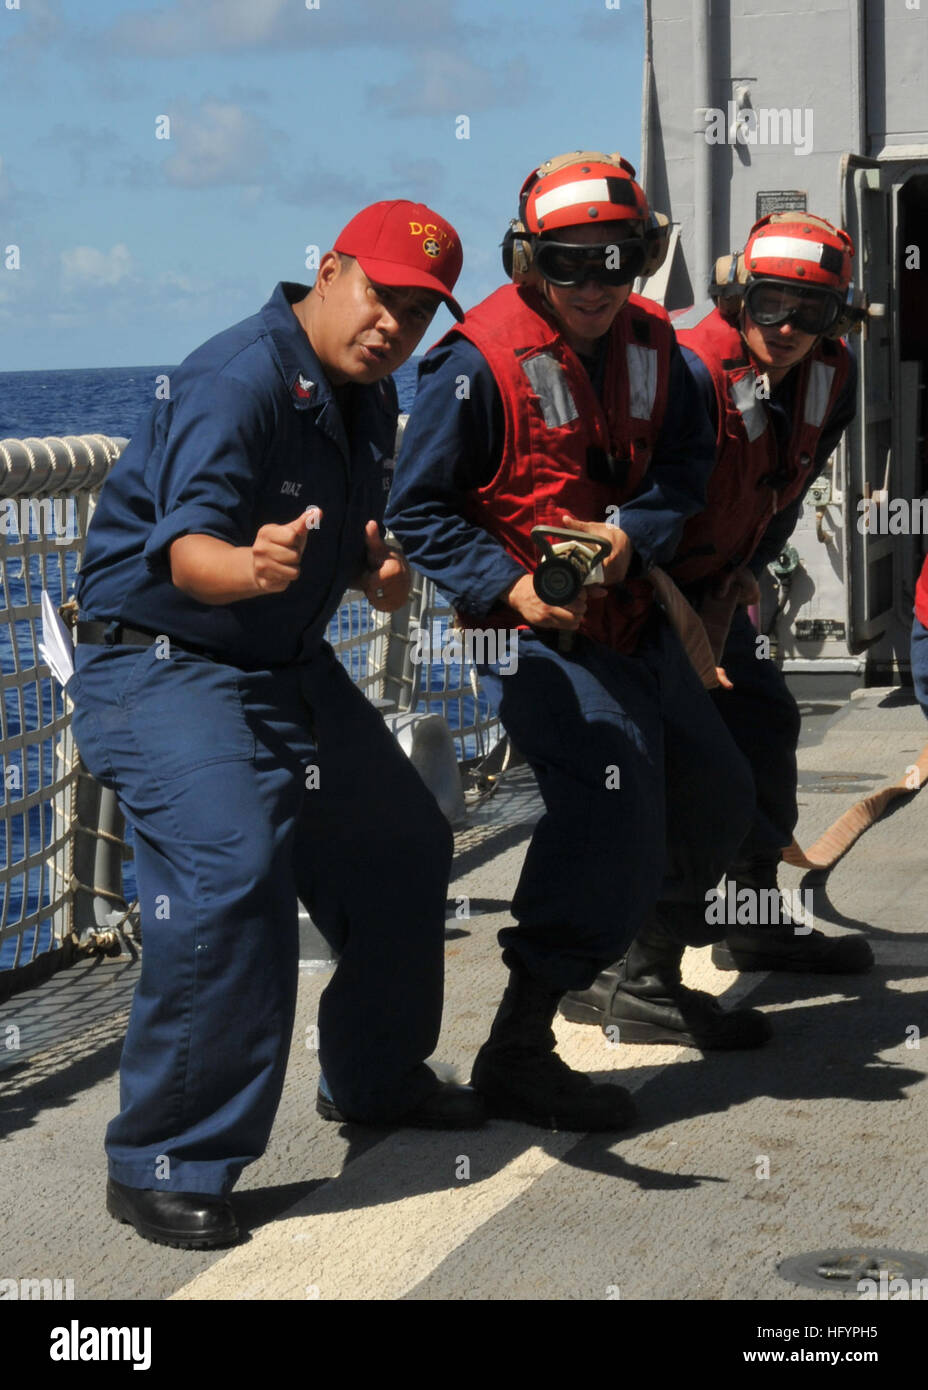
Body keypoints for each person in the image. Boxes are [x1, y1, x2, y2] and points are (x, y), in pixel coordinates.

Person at [69, 200, 484, 1251]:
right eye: (382, 297)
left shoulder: (367, 395)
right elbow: (186, 554)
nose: (395, 325)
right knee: (231, 870)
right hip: (161, 665)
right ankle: (168, 1157)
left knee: (402, 844)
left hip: (277, 664)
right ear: (331, 269)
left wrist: (372, 570)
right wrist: (245, 567)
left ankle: (376, 1079)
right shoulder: (237, 379)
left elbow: (347, 548)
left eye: (421, 312)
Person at [385, 152, 763, 1135]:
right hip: (534, 639)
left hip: (633, 619)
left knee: (718, 792)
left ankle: (639, 967)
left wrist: (632, 532)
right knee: (609, 812)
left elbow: (685, 469)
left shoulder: (661, 353)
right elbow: (417, 511)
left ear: (640, 259)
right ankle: (518, 1043)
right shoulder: (471, 368)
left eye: (615, 260)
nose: (594, 285)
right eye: (569, 263)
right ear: (529, 262)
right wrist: (510, 585)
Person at [563, 212, 872, 1038]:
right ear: (740, 296)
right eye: (771, 304)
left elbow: (790, 483)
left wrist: (746, 569)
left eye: (812, 312)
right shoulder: (688, 371)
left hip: (716, 593)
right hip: (643, 598)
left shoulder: (830, 377)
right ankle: (635, 969)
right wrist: (663, 594)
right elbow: (626, 495)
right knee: (694, 776)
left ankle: (749, 914)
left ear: (837, 319)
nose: (787, 328)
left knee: (764, 724)